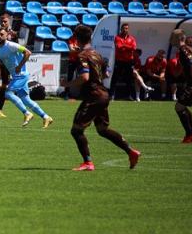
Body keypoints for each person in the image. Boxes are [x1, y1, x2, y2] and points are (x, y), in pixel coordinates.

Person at [59, 25, 141, 171]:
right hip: (103, 94)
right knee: (103, 130)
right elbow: (106, 75)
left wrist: (68, 84)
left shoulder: (82, 56)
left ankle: (88, 163)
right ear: (90, 39)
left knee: (76, 130)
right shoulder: (96, 54)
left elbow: (84, 77)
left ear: (76, 40)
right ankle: (131, 152)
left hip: (94, 96)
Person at [0, 28, 54, 128]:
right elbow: (5, 59)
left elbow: (27, 52)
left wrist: (20, 66)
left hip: (21, 74)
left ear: (6, 35)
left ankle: (26, 113)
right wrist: (1, 63)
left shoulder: (11, 45)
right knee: (26, 100)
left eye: (2, 34)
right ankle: (46, 117)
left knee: (8, 93)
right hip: (15, 75)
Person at [170, 29, 192, 143]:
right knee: (182, 106)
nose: (170, 39)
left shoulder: (183, 50)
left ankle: (190, 134)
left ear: (179, 39)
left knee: (178, 107)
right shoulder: (185, 49)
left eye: (172, 37)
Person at [110, 23, 136, 100]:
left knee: (129, 79)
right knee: (115, 78)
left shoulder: (132, 38)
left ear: (129, 29)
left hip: (129, 61)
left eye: (126, 28)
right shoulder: (117, 38)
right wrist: (128, 47)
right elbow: (118, 47)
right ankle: (111, 95)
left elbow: (134, 48)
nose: (125, 30)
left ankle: (128, 96)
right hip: (119, 61)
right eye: (123, 28)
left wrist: (124, 46)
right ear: (121, 29)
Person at [63, 30, 81, 101]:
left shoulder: (81, 39)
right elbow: (71, 50)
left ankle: (81, 94)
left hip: (80, 60)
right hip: (72, 60)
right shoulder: (71, 39)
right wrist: (79, 49)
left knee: (81, 77)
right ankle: (67, 94)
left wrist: (76, 49)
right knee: (69, 77)